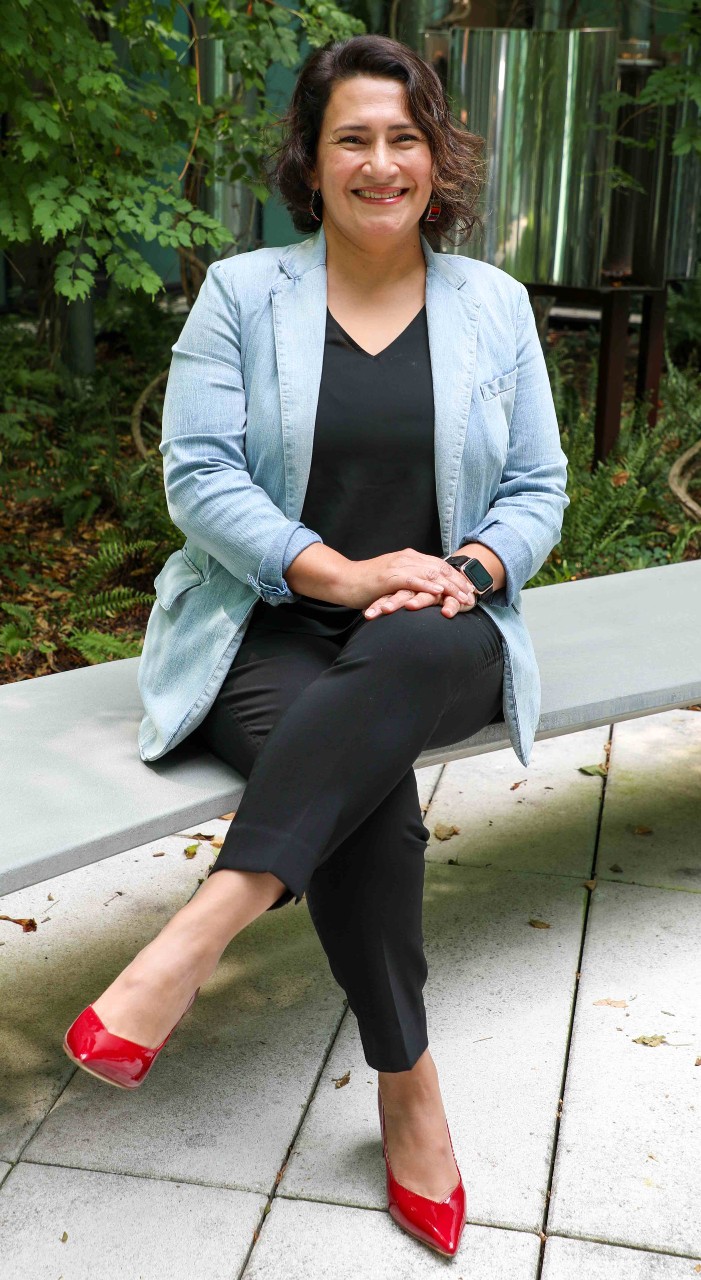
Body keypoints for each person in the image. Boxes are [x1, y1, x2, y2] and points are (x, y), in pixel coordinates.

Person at [63, 33, 570, 1259]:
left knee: (394, 659)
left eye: (403, 138)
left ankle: (191, 938)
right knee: (370, 802)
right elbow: (199, 474)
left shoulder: (491, 304)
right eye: (353, 136)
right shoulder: (245, 293)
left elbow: (537, 488)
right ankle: (408, 1087)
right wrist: (339, 572)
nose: (379, 162)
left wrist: (464, 572)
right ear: (311, 155)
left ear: (435, 157)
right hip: (267, 626)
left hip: (442, 625)